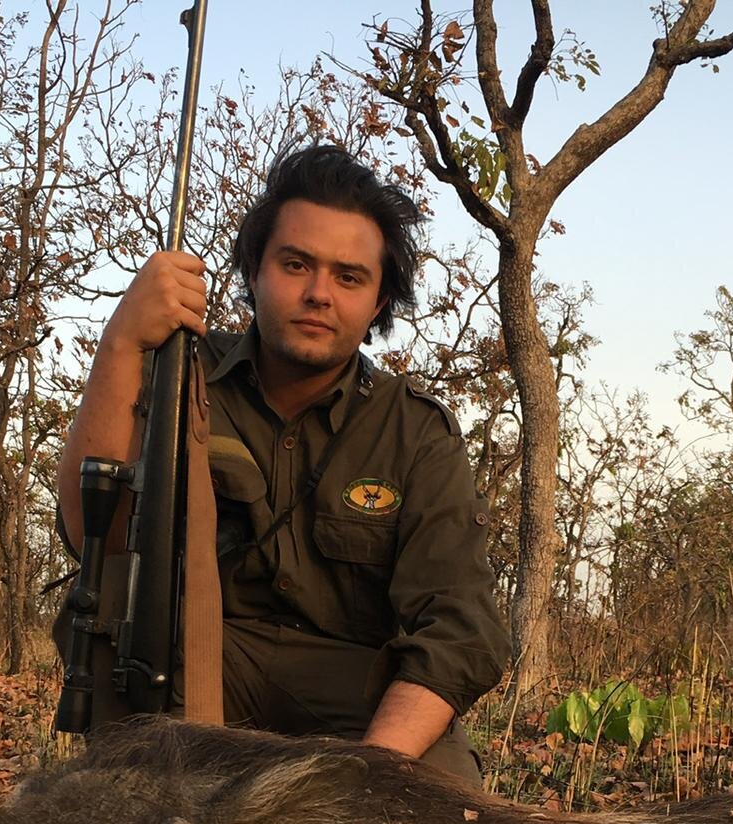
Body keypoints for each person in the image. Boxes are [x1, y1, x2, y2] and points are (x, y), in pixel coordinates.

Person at [55, 145, 508, 786]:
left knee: (436, 798)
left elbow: (462, 626)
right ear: (255, 270)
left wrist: (369, 773)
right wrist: (124, 338)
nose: (319, 294)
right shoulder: (178, 372)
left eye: (349, 277)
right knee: (108, 629)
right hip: (201, 664)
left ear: (378, 304)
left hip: (354, 690)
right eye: (296, 264)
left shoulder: (417, 432)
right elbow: (90, 535)